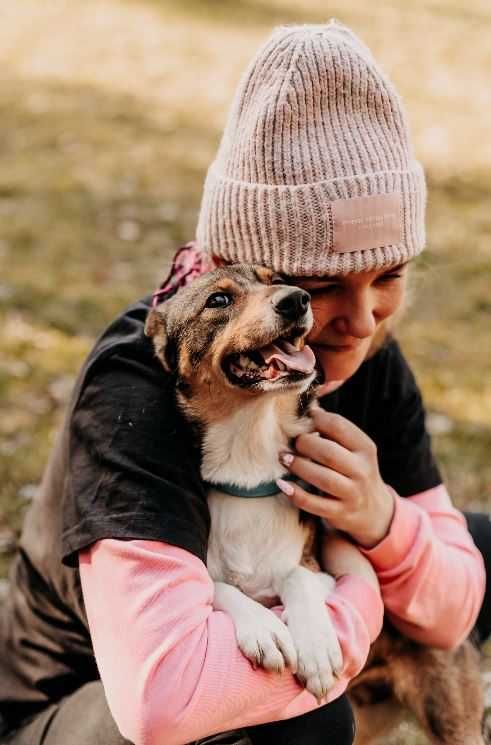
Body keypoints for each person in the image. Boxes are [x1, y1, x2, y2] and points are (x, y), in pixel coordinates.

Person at [0, 20, 489, 745]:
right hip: (81, 707)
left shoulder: (363, 351)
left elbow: (451, 606)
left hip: (280, 605)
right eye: (320, 286)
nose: (360, 320)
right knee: (309, 716)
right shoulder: (142, 381)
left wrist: (381, 519)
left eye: (388, 276)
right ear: (248, 273)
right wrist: (351, 607)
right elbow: (163, 699)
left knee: (473, 547)